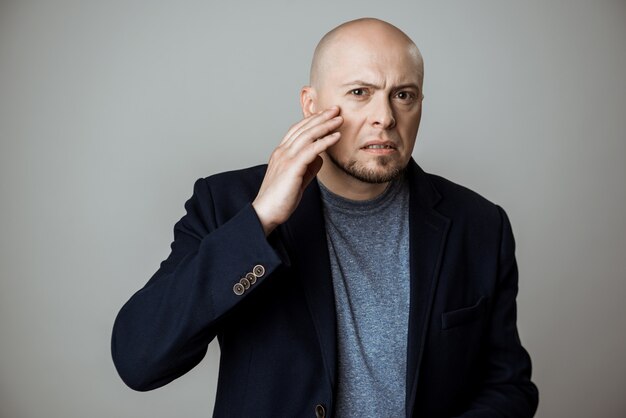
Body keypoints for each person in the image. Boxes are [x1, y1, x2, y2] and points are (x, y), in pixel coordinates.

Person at [112, 18, 538, 418]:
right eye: (359, 92)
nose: (385, 117)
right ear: (311, 105)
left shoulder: (480, 224)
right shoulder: (227, 204)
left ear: (420, 104)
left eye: (403, 95)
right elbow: (140, 360)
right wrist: (259, 221)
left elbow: (508, 386)